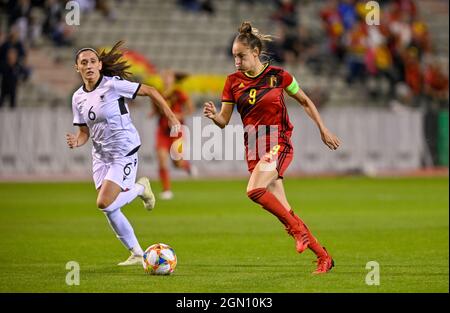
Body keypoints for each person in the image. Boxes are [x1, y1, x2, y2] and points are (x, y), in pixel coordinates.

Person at [203, 22, 341, 274]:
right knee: (284, 209)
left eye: (241, 56)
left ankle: (298, 232)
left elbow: (305, 101)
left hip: (278, 142)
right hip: (254, 147)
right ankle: (324, 257)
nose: (236, 61)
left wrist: (323, 128)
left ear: (255, 53)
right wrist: (214, 116)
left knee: (254, 190)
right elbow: (224, 121)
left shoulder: (279, 75)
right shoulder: (232, 82)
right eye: (234, 56)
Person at [66, 41, 181, 266]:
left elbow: (150, 91)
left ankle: (140, 188)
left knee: (105, 203)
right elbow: (83, 132)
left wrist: (171, 116)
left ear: (99, 65)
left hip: (124, 151)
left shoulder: (113, 85)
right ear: (77, 68)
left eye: (92, 61)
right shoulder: (77, 97)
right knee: (109, 209)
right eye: (83, 63)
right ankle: (137, 253)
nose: (88, 65)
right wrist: (77, 141)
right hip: (101, 156)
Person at [151, 69, 195, 200]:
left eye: (168, 77)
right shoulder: (157, 92)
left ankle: (187, 166)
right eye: (164, 76)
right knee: (162, 159)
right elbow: (155, 109)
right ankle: (166, 190)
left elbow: (190, 108)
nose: (166, 79)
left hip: (177, 131)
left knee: (177, 162)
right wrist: (153, 113)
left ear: (173, 79)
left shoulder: (178, 93)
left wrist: (178, 115)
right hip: (162, 131)